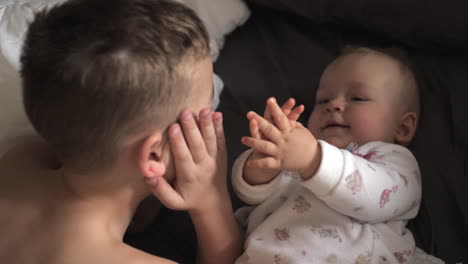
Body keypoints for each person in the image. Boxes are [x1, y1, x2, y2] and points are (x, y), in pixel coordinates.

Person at [0, 0, 242, 263]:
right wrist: (211, 200)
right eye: (206, 107)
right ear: (152, 156)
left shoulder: (19, 162)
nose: (213, 111)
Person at [233, 47, 444, 263]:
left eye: (358, 98)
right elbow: (250, 195)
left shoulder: (394, 162)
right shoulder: (295, 153)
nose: (334, 105)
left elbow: (375, 196)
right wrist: (263, 160)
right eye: (323, 100)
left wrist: (314, 159)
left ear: (403, 128)